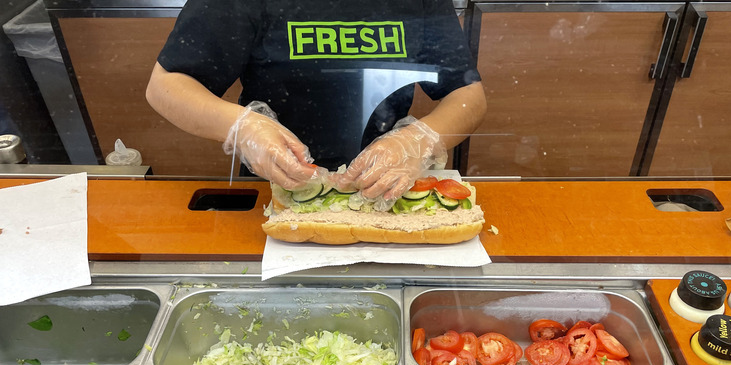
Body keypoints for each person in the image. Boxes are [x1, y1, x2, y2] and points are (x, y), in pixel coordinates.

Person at [146, 0, 486, 205]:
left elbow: (467, 95)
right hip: (277, 186)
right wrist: (243, 127)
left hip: (387, 186)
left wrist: (417, 141)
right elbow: (166, 86)